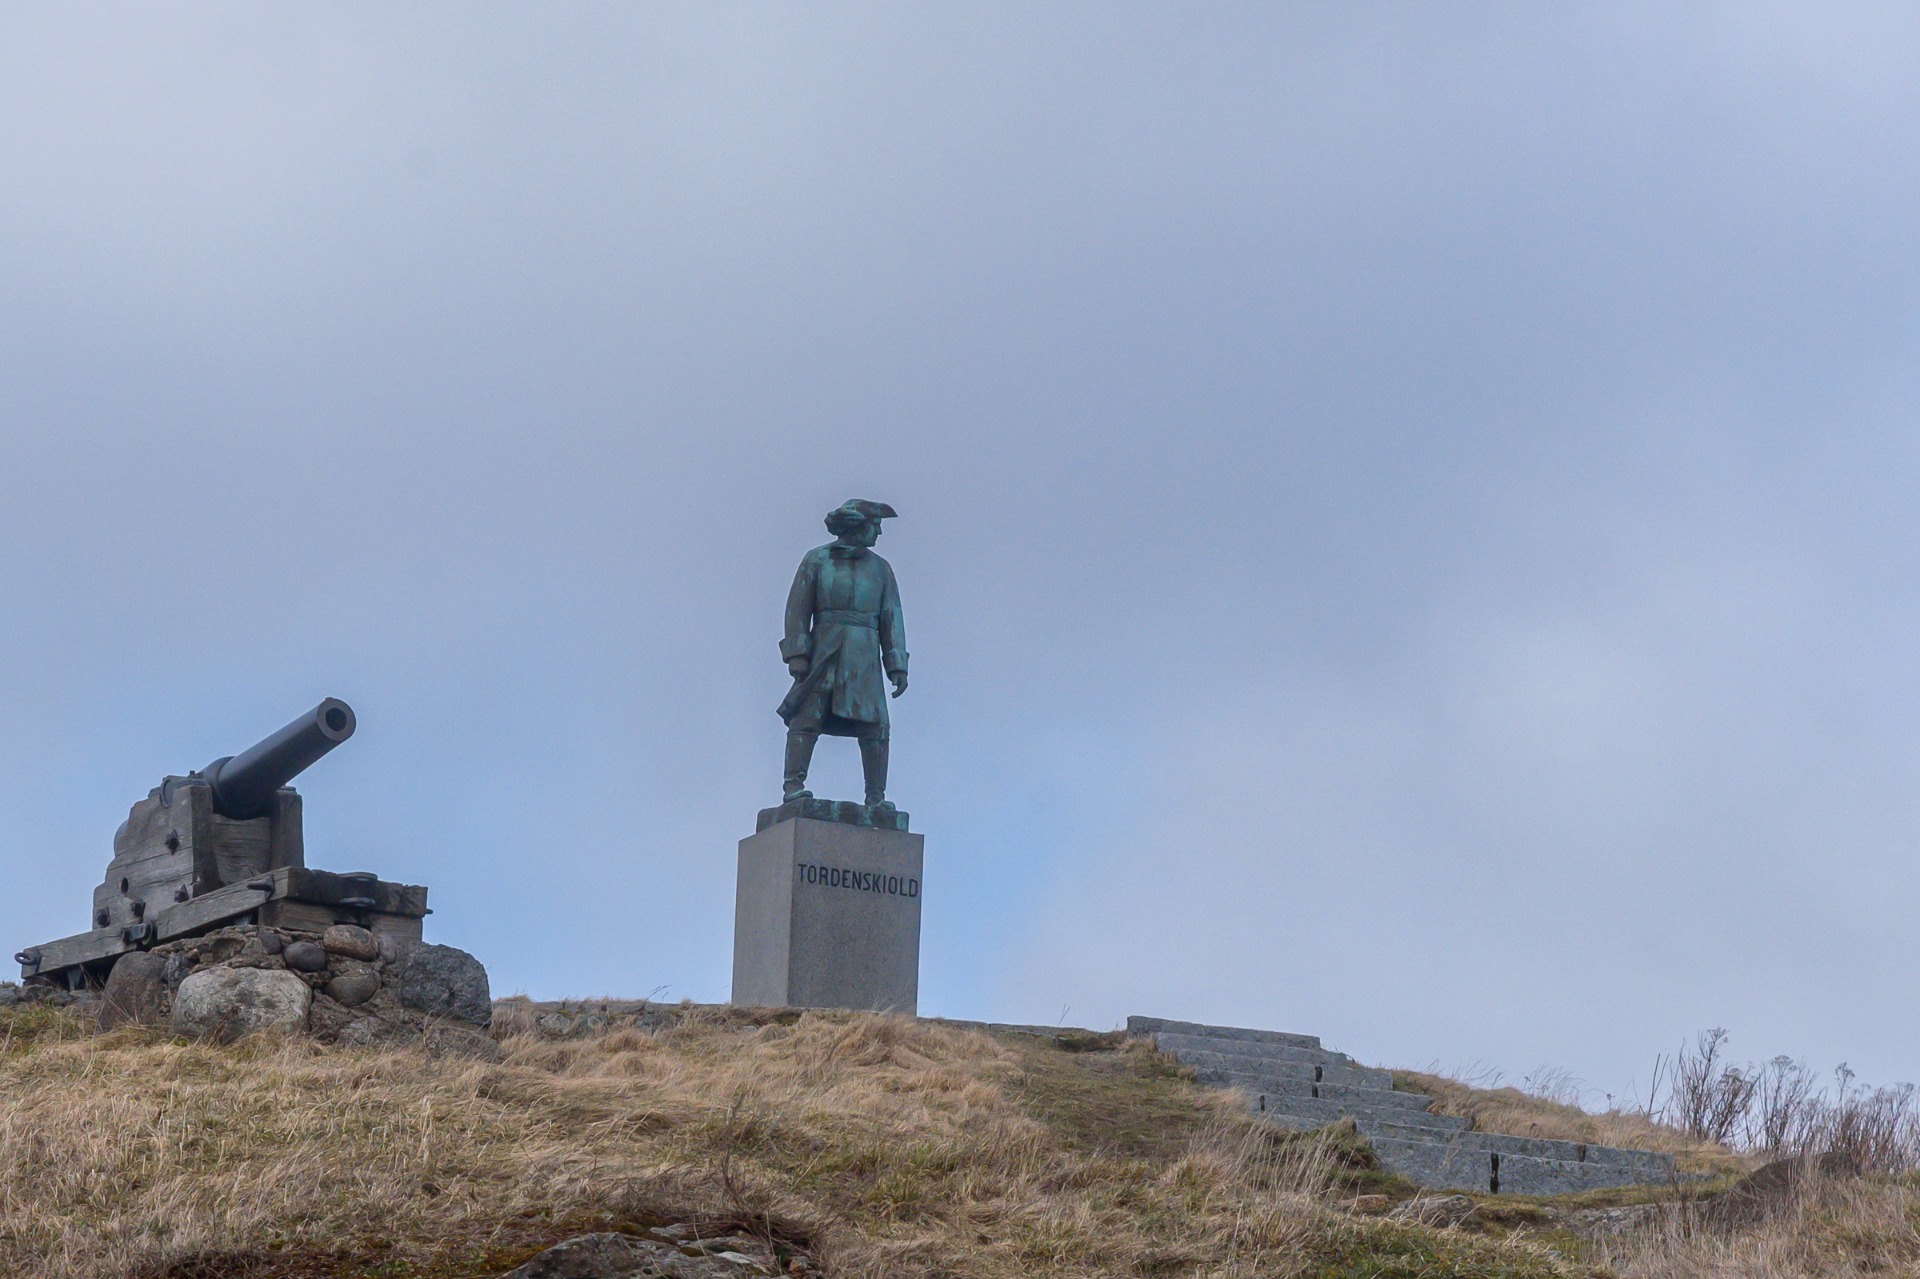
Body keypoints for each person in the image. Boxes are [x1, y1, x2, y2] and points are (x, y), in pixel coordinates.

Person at [777, 499, 908, 810]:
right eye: (875, 526)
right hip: (825, 647)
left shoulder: (881, 569)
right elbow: (798, 607)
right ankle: (793, 785)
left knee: (875, 727)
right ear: (856, 527)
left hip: (863, 654)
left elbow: (891, 617)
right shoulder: (817, 560)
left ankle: (875, 797)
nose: (878, 533)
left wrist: (896, 664)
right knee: (806, 717)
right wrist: (797, 653)